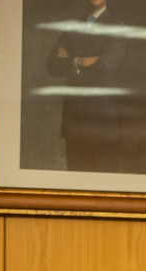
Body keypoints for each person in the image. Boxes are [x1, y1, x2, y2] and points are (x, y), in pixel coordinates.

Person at [45, 0, 128, 173]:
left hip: (101, 120)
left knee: (101, 180)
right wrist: (79, 61)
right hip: (73, 118)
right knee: (75, 178)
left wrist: (70, 60)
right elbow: (52, 64)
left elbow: (106, 65)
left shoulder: (116, 26)